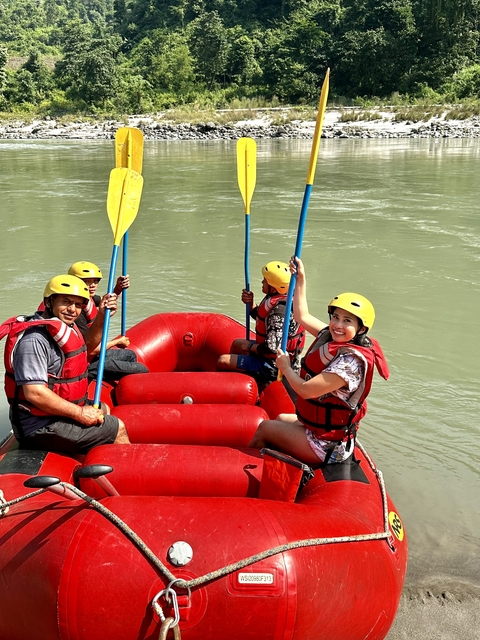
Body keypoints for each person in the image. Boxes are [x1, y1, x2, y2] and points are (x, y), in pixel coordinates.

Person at [248, 257, 389, 465]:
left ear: (361, 329)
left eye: (347, 321)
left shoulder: (350, 364)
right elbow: (301, 315)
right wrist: (301, 278)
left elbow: (305, 390)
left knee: (265, 428)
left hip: (327, 447)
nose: (338, 325)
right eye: (336, 317)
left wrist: (286, 367)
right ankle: (276, 470)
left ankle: (246, 473)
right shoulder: (332, 338)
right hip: (319, 431)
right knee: (279, 420)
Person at [0, 274, 130, 454]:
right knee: (118, 427)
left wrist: (101, 316)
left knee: (104, 408)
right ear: (48, 302)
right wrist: (80, 413)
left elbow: (86, 349)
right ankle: (124, 474)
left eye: (78, 305)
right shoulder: (34, 341)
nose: (72, 309)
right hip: (38, 426)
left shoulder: (66, 326)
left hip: (53, 415)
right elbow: (34, 393)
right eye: (66, 302)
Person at [217, 261, 305, 387]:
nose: (262, 282)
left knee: (222, 361)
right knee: (237, 344)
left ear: (273, 287)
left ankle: (228, 389)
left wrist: (249, 347)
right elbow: (265, 320)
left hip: (273, 365)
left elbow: (272, 348)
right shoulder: (280, 298)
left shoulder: (280, 311)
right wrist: (252, 305)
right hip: (269, 354)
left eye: (265, 280)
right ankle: (240, 378)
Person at [67, 261, 149, 381]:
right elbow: (89, 349)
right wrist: (116, 342)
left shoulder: (87, 298)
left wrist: (118, 288)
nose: (93, 285)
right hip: (85, 363)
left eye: (95, 281)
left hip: (94, 356)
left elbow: (106, 299)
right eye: (87, 282)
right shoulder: (75, 312)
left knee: (130, 355)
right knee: (142, 370)